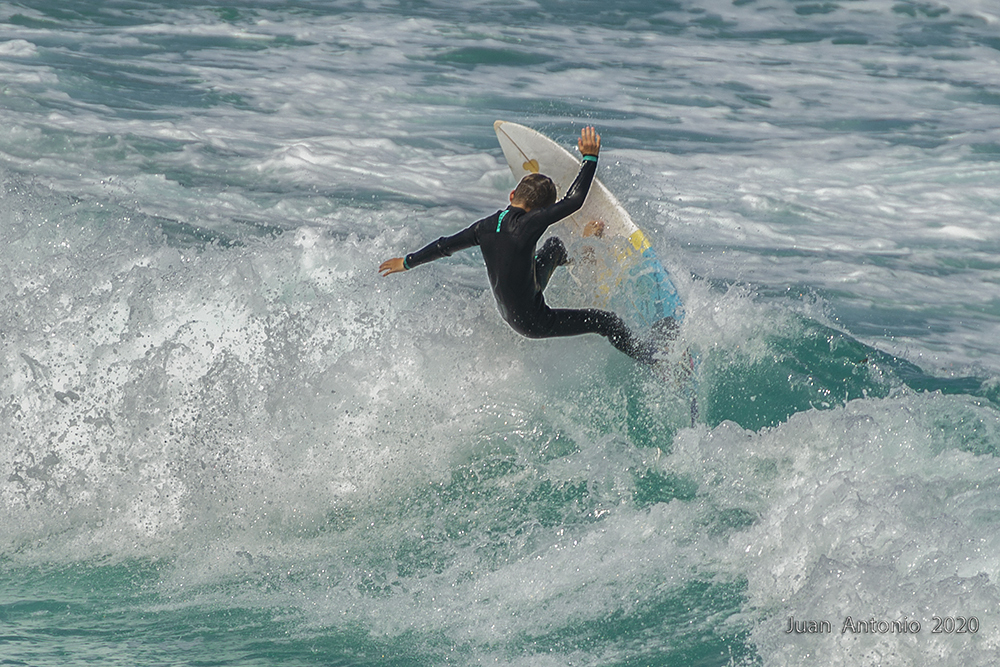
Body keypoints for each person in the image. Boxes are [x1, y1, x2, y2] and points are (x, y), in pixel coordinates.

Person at [378, 126, 656, 364]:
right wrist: (590, 158)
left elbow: (444, 246)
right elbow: (574, 201)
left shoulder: (483, 226)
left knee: (556, 246)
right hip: (533, 320)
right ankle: (650, 358)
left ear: (512, 194)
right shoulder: (530, 224)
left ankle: (581, 255)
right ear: (539, 213)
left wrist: (407, 261)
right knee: (604, 322)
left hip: (510, 309)